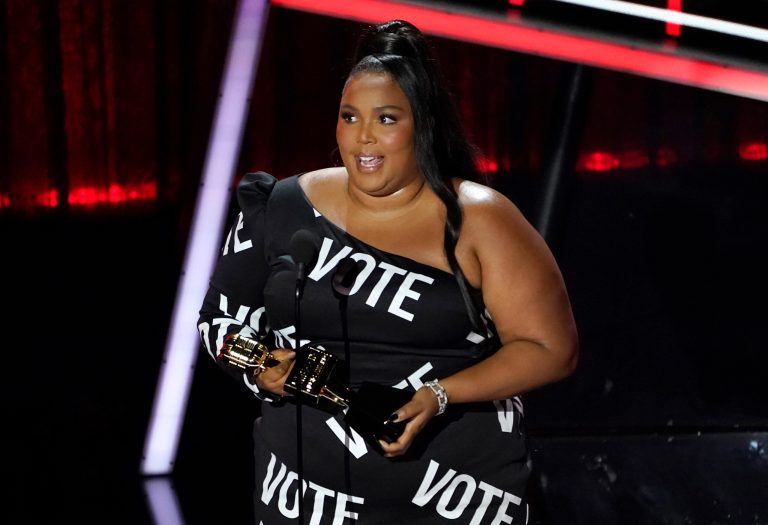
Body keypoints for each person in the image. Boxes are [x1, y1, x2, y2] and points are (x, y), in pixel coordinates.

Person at [198, 19, 578, 524]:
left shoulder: (480, 219)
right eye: (349, 117)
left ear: (423, 125)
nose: (363, 138)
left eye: (386, 119)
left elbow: (551, 349)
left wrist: (439, 395)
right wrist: (260, 365)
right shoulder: (280, 206)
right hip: (305, 498)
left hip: (458, 496)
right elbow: (217, 323)